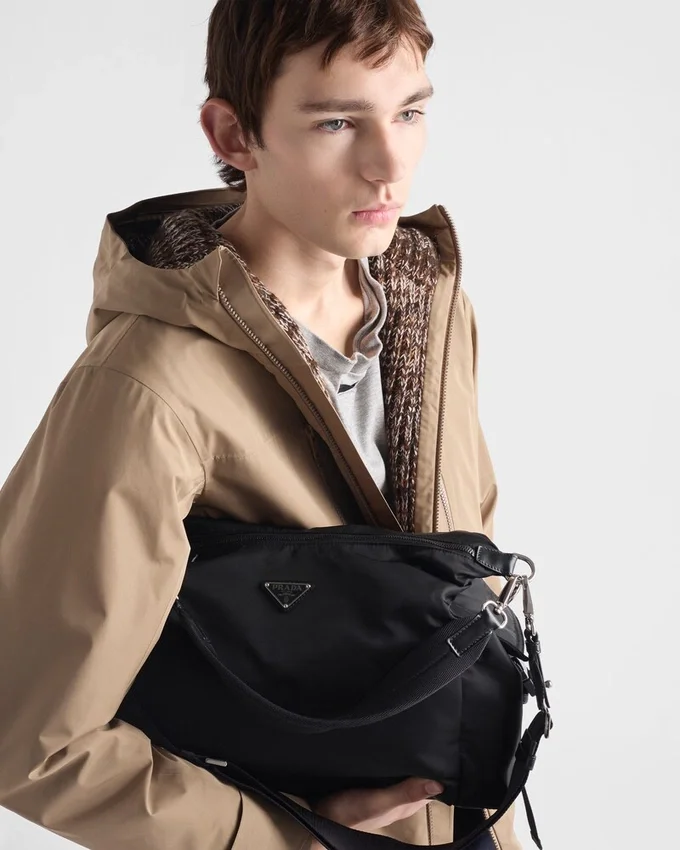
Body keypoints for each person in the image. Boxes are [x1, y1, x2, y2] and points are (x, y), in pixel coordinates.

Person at [0, 1, 520, 848]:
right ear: (233, 135)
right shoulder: (147, 384)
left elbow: (468, 588)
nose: (389, 166)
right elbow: (27, 737)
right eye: (336, 123)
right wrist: (288, 838)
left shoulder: (433, 314)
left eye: (409, 112)